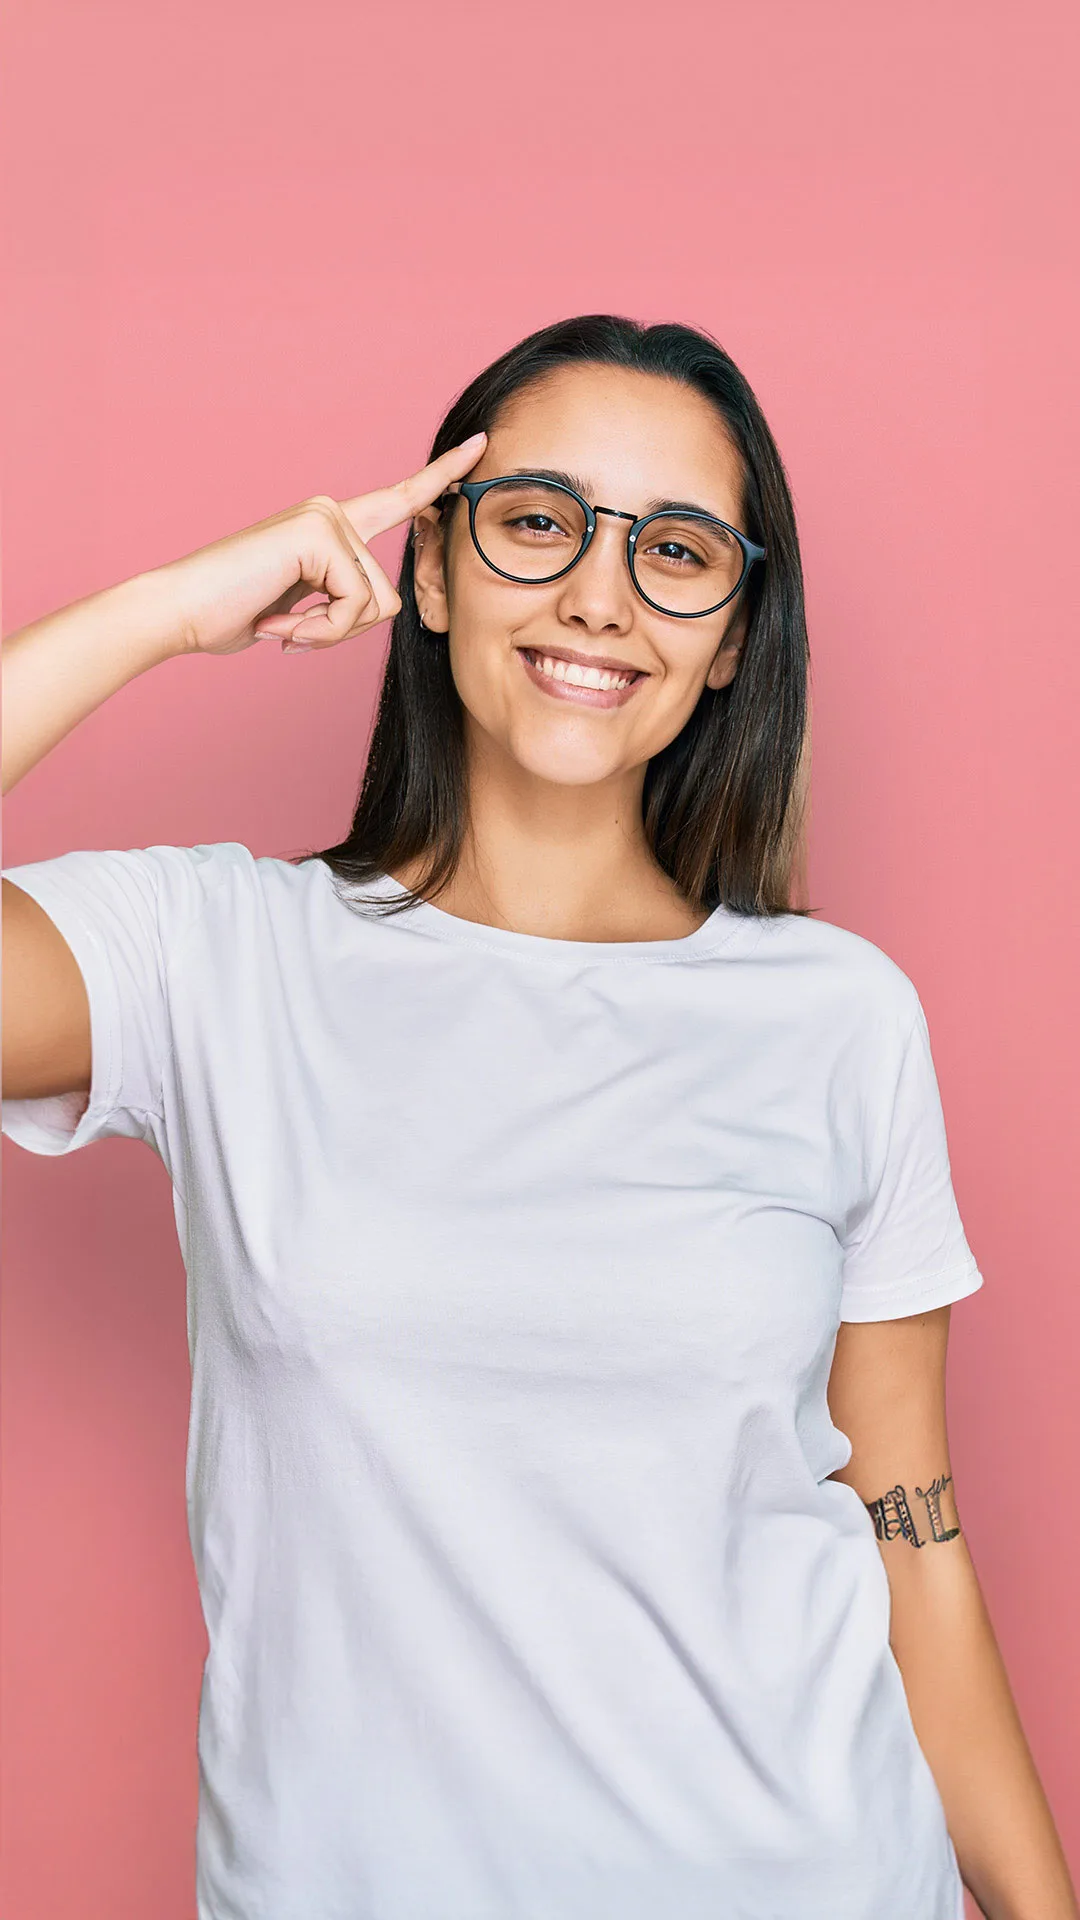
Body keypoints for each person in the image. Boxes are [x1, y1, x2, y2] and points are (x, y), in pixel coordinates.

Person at [1, 314, 1074, 1920]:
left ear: (732, 638)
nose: (599, 594)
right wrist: (166, 612)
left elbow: (909, 1531)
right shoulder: (215, 959)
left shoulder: (840, 1015)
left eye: (679, 553)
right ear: (428, 570)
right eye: (537, 520)